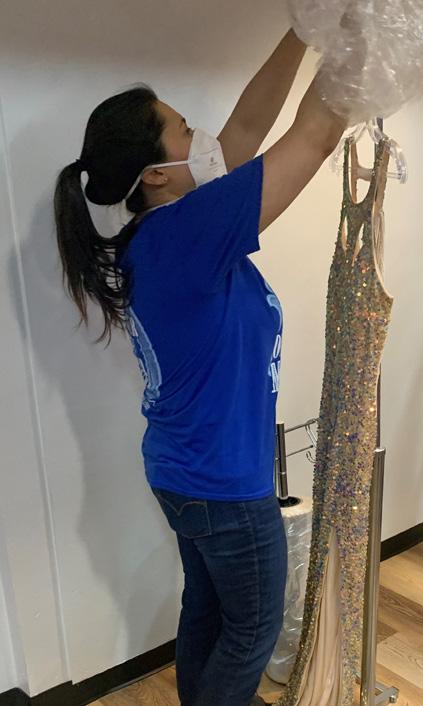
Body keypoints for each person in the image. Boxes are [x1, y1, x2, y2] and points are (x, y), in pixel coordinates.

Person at [54, 26, 346, 706]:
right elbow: (314, 137)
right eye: (185, 129)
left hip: (187, 472)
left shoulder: (165, 230)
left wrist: (303, 30)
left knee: (210, 612)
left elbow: (246, 128)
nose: (205, 135)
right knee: (251, 630)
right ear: (156, 173)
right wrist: (362, 48)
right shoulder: (190, 233)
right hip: (222, 485)